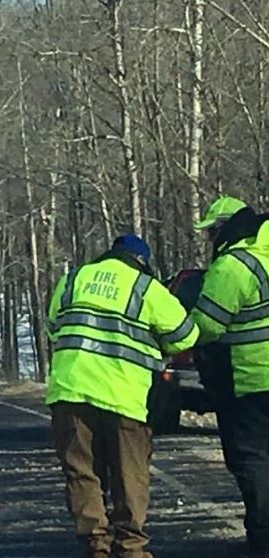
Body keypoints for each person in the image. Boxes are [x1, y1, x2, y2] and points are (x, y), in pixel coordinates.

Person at [46, 234, 199, 558]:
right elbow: (186, 335)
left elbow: (52, 327)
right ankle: (131, 548)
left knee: (82, 473)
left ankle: (96, 546)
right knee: (130, 475)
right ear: (142, 261)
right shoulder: (146, 288)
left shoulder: (73, 279)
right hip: (125, 396)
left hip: (71, 392)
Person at [190, 196, 269, 558]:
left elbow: (206, 325)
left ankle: (262, 540)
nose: (210, 241)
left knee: (253, 462)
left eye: (212, 233)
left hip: (251, 382)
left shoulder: (232, 266)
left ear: (223, 230)